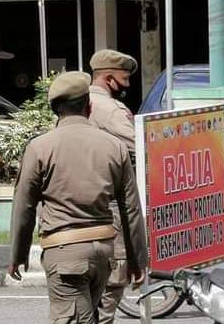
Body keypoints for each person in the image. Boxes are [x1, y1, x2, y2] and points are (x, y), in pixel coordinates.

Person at [8, 71, 147, 324]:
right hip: (104, 252)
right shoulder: (114, 146)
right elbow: (131, 208)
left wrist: (17, 255)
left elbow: (24, 206)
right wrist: (138, 260)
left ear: (55, 109)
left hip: (65, 253)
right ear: (89, 106)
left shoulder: (39, 147)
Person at [88, 49, 139, 324]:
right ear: (109, 78)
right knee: (112, 284)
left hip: (72, 208)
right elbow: (138, 148)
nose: (127, 87)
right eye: (124, 80)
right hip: (109, 203)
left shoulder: (71, 103)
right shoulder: (111, 110)